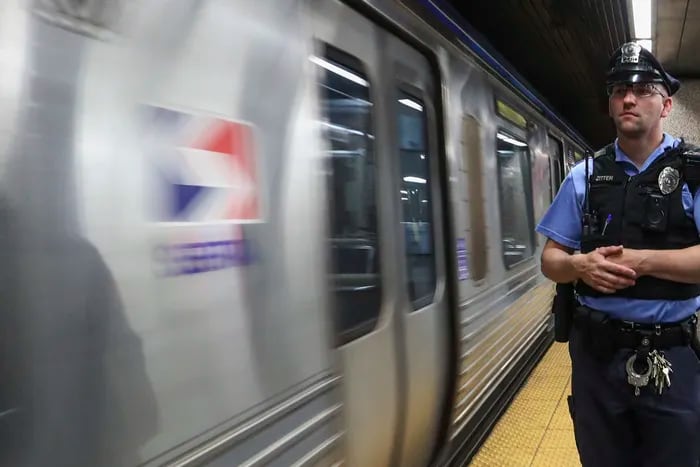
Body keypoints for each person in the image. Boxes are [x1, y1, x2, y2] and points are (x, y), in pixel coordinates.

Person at [537, 41, 700, 466]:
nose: (628, 98)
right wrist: (577, 265)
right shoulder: (584, 176)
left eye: (644, 89)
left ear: (666, 105)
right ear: (610, 105)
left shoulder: (694, 173)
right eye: (618, 90)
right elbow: (550, 260)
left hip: (677, 360)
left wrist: (642, 261)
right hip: (598, 360)